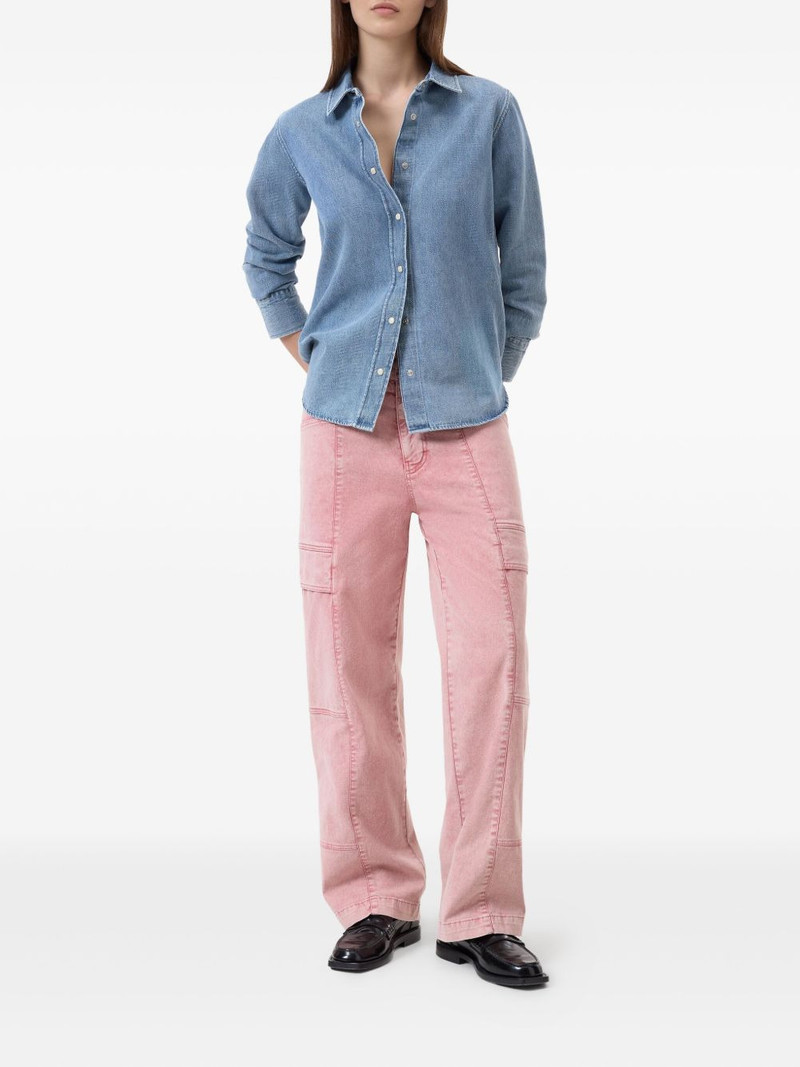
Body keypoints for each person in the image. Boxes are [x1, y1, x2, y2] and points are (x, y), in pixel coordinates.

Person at [242, 0, 549, 990]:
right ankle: (374, 893)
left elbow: (523, 271)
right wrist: (317, 354)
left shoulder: (488, 113)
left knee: (491, 661)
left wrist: (477, 368)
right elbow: (265, 254)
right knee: (346, 665)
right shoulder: (302, 129)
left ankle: (481, 910)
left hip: (468, 427)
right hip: (344, 434)